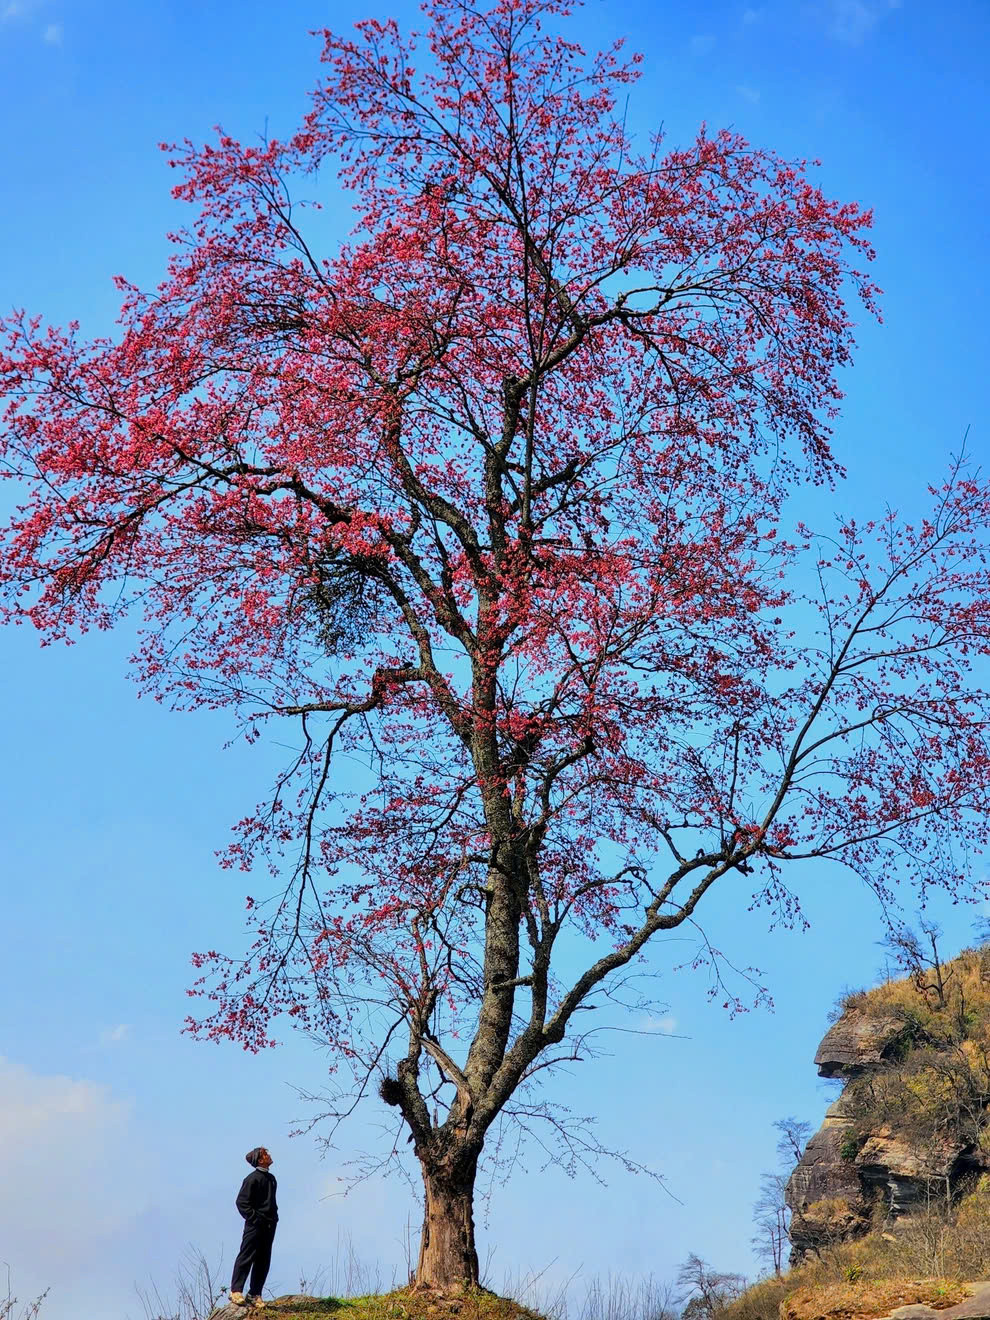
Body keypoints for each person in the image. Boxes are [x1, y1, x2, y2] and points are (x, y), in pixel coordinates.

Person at [229, 1146, 278, 1308]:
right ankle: (236, 1291)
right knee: (246, 1256)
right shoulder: (252, 1179)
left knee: (264, 1259)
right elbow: (241, 1202)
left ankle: (255, 1293)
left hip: (269, 1226)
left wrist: (273, 1219)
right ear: (259, 1159)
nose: (269, 1156)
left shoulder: (271, 1179)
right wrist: (255, 1218)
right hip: (255, 1225)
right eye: (265, 1154)